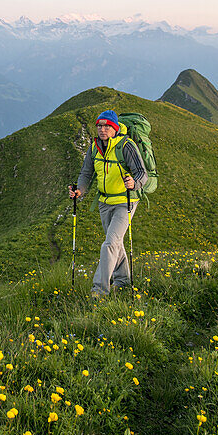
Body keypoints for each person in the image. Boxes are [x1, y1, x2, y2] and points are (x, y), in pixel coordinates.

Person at [69, 110, 147, 296]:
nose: (102, 130)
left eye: (107, 126)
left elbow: (141, 173)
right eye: (99, 126)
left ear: (115, 128)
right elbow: (86, 173)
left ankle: (99, 291)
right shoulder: (94, 147)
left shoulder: (126, 146)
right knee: (116, 244)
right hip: (104, 202)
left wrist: (133, 183)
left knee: (109, 244)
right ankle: (123, 282)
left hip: (125, 202)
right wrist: (80, 190)